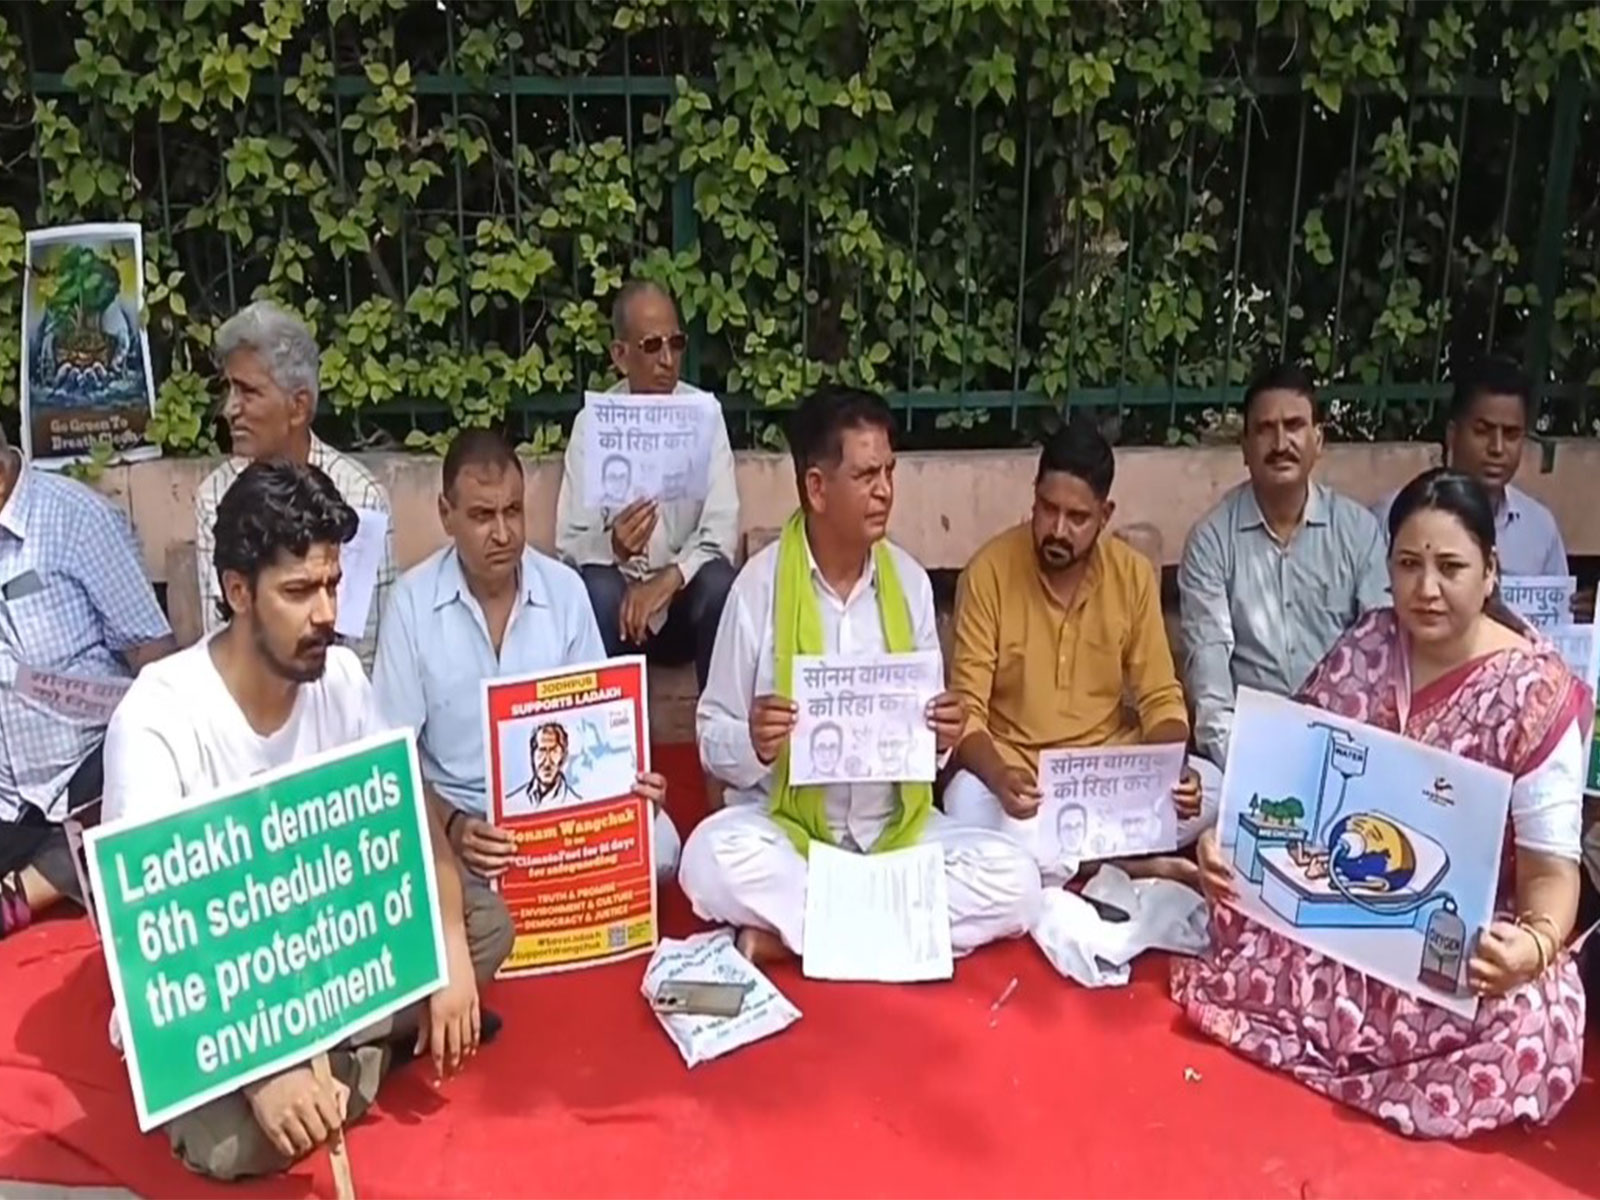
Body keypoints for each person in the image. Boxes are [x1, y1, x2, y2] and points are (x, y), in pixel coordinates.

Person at [102, 460, 506, 1180]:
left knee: (481, 927)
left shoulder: (341, 677)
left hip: (327, 948)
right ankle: (367, 1059)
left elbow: (412, 822)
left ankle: (353, 1052)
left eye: (332, 585)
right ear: (237, 593)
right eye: (298, 592)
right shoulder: (157, 717)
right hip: (222, 992)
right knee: (237, 1147)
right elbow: (151, 944)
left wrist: (444, 955)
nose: (326, 613)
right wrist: (264, 1071)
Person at [1176, 468, 1588, 1139]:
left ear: (1490, 571)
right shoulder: (1368, 643)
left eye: (1450, 566)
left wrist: (1533, 947)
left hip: (1462, 932)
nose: (1425, 589)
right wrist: (1227, 839)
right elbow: (1288, 777)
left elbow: (1551, 872)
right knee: (1248, 922)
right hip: (1342, 899)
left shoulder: (1534, 694)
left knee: (1527, 1024)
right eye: (1408, 564)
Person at [679, 385, 1041, 963]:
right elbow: (710, 736)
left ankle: (795, 937)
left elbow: (928, 751)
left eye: (889, 472)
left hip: (894, 832)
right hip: (791, 836)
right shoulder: (759, 586)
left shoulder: (911, 583)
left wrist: (943, 737)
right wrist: (753, 741)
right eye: (867, 475)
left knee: (1017, 882)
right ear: (817, 488)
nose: (885, 492)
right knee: (707, 860)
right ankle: (889, 929)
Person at [374, 430, 679, 880]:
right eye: (481, 515)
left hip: (557, 811)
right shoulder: (411, 603)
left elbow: (597, 725)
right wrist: (454, 826)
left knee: (663, 850)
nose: (502, 533)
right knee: (395, 861)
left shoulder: (565, 590)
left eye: (512, 511)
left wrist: (633, 782)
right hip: (459, 815)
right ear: (446, 514)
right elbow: (392, 758)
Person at [944, 418, 1206, 882]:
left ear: (1105, 516)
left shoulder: (1132, 575)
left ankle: (1062, 862)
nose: (1058, 530)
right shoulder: (988, 573)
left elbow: (1160, 698)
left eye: (1078, 518)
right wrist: (1001, 779)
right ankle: (1132, 862)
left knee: (1215, 790)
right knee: (964, 802)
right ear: (1034, 497)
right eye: (1048, 509)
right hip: (1022, 779)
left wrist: (1171, 770)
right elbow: (968, 711)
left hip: (1105, 775)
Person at [0, 430, 174, 939]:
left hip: (81, 779)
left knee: (126, 778)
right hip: (6, 795)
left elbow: (153, 654)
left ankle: (28, 890)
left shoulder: (77, 520)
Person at [1180, 364, 1389, 767]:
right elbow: (1212, 695)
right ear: (1244, 446)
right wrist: (1248, 765)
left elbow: (1381, 657)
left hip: (1344, 746)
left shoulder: (1357, 531)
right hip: (1250, 750)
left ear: (1318, 439)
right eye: (1265, 429)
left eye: (1294, 426)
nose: (1280, 443)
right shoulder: (1212, 540)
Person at [555, 280, 738, 692]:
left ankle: (720, 737)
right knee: (596, 585)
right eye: (652, 346)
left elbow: (721, 530)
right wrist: (613, 547)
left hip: (681, 603)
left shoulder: (704, 415)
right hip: (618, 612)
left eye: (676, 343)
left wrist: (671, 578)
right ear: (621, 356)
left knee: (721, 583)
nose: (668, 360)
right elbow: (569, 546)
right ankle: (610, 745)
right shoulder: (593, 425)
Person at [195, 301, 395, 671]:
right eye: (229, 390)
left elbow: (364, 650)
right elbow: (224, 629)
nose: (229, 409)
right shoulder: (216, 495)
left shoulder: (360, 496)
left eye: (247, 392)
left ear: (298, 407)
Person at [1372, 356, 1567, 578]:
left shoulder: (1539, 527)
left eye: (1512, 434)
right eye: (1483, 431)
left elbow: (1557, 609)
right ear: (1453, 434)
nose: (1497, 448)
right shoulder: (1395, 514)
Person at [503, 722, 583, 813]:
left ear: (563, 756)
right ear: (532, 756)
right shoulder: (511, 804)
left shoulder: (577, 803)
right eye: (542, 751)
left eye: (554, 752)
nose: (547, 762)